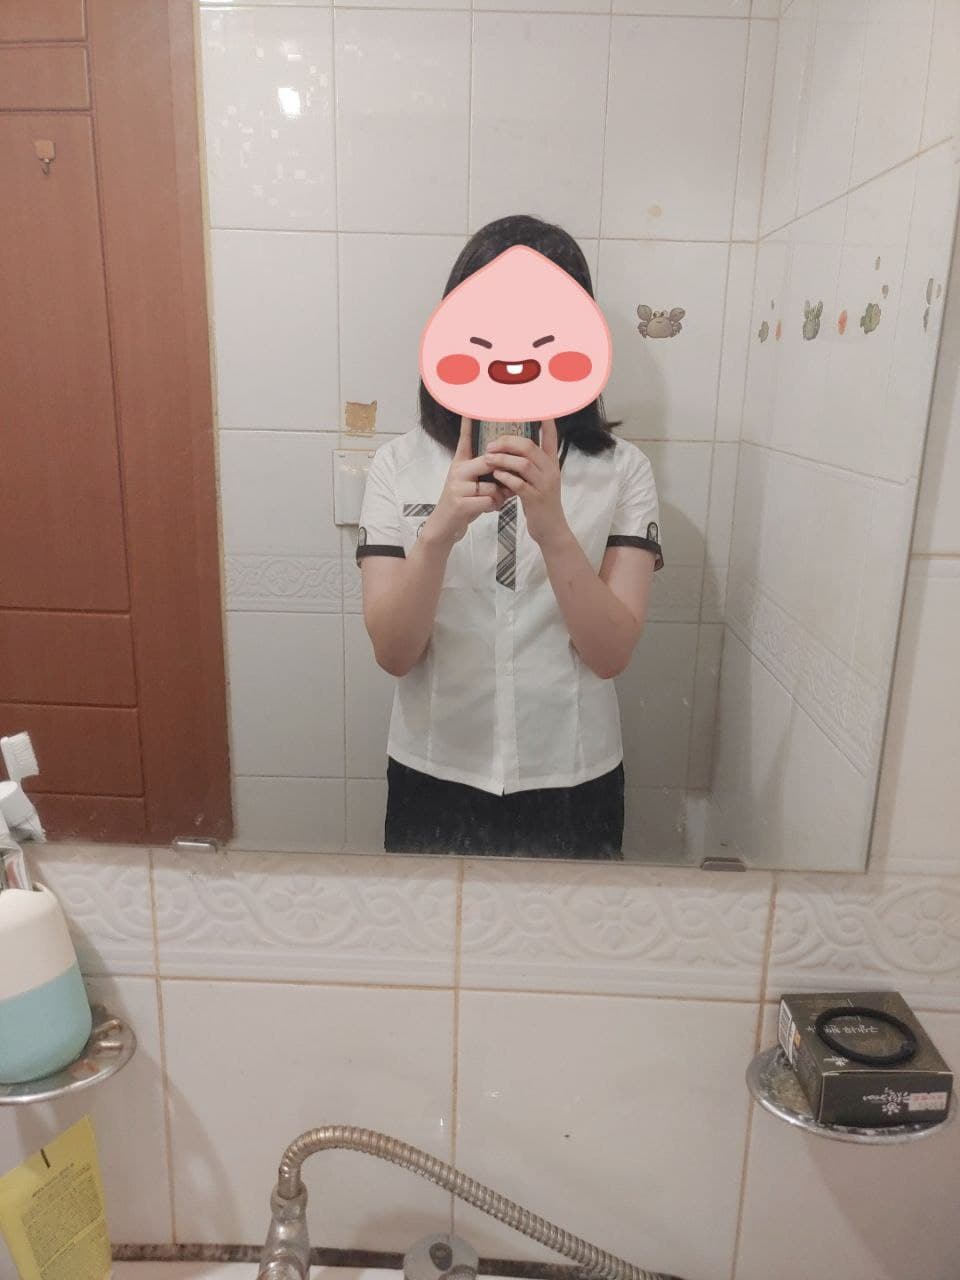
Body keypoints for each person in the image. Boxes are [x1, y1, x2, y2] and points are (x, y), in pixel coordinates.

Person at [357, 214, 663, 859]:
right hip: (435, 768)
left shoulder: (622, 471)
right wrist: (438, 533)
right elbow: (394, 653)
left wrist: (553, 528)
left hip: (573, 773)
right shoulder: (397, 465)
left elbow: (610, 654)